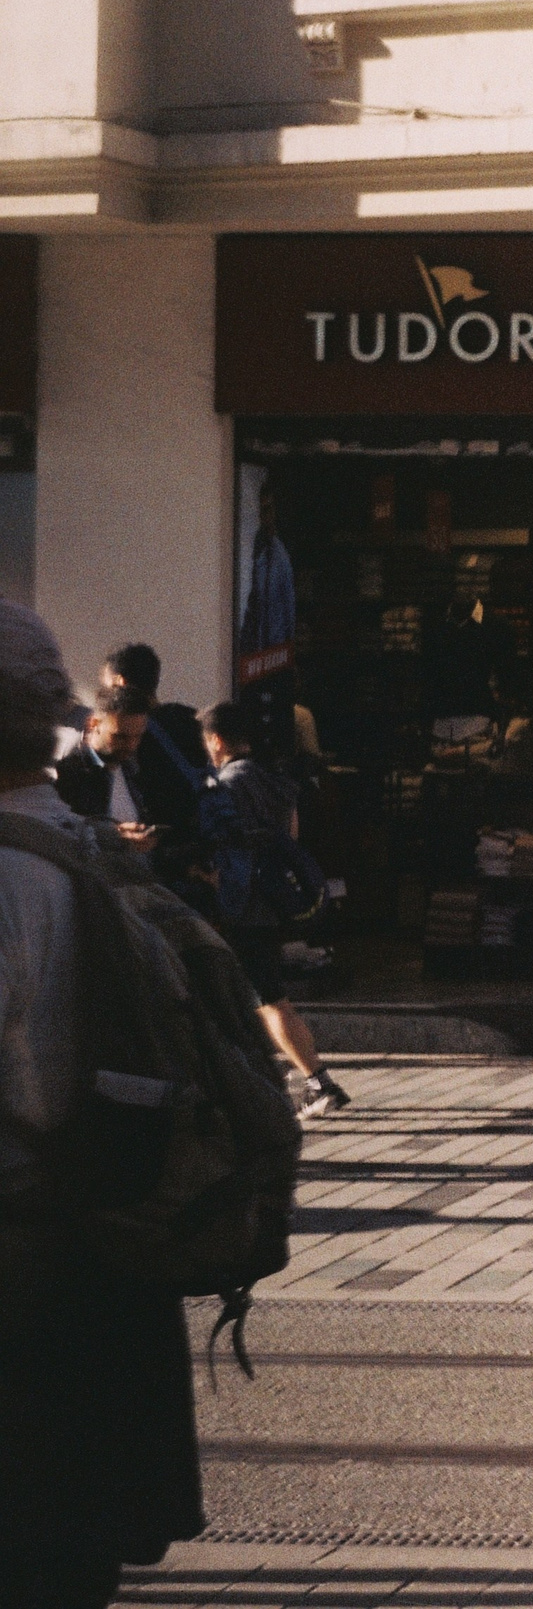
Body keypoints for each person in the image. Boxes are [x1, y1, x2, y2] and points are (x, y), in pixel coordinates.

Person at [0, 604, 205, 1608]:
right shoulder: (86, 853)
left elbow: (34, 1092)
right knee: (67, 1556)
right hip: (103, 1250)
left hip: (25, 1258)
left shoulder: (14, 877)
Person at [198, 700, 349, 1122]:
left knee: (269, 999)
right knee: (262, 997)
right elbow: (291, 837)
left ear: (216, 740)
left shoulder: (226, 783)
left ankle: (318, 1082)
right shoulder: (274, 779)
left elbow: (223, 848)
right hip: (271, 902)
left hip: (241, 906)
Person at [99, 642, 206, 865]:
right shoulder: (191, 719)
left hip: (161, 852)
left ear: (120, 683)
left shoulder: (130, 737)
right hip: (201, 849)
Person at [56, 683, 162, 860]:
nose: (131, 745)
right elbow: (59, 830)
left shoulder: (133, 770)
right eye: (120, 736)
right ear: (94, 724)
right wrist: (112, 836)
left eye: (138, 736)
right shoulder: (69, 771)